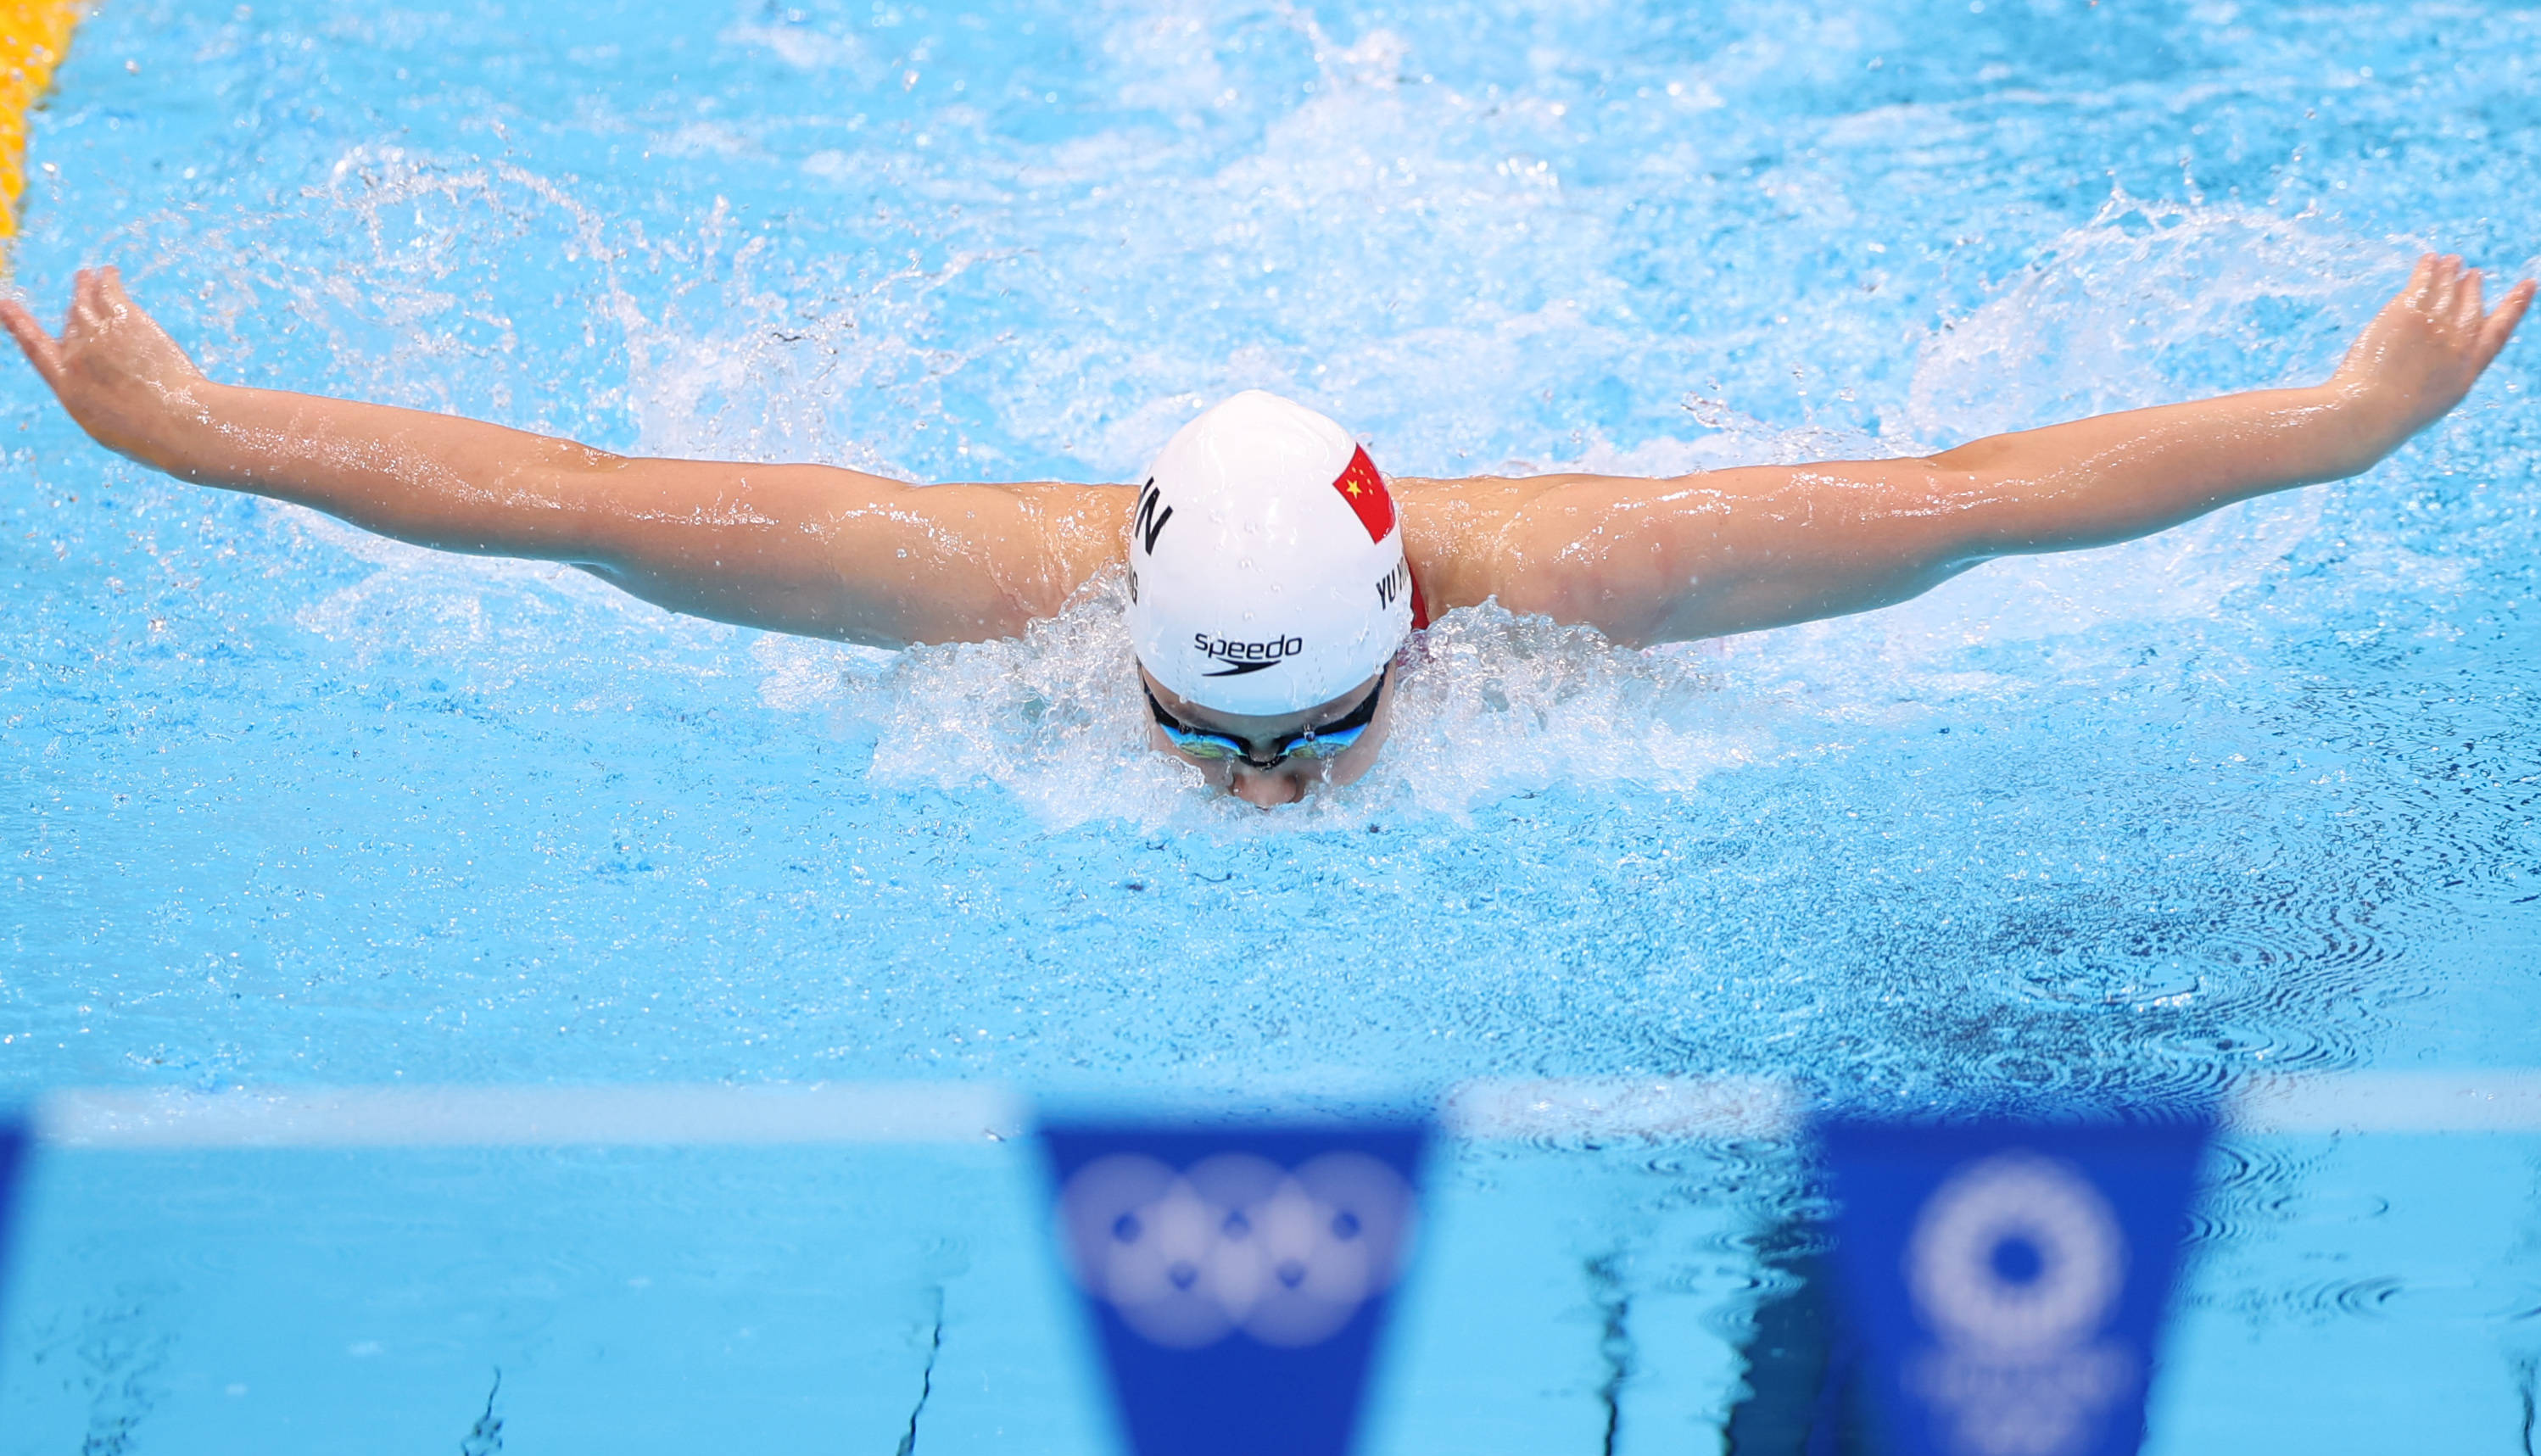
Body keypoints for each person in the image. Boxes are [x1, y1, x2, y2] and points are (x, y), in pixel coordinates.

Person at [3, 256, 2527, 807]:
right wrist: (194, 427)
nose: (1269, 786)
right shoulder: (950, 575)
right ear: (1109, 619)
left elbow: (1981, 504)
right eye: (1227, 728)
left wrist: (2343, 417)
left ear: (1415, 618)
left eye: (1306, 724)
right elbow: (569, 507)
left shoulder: (1602, 575)